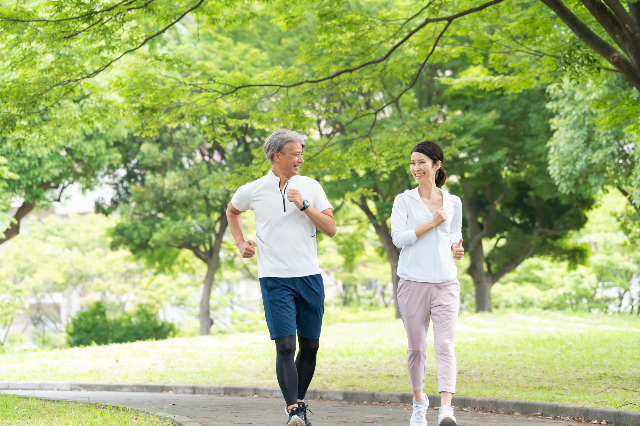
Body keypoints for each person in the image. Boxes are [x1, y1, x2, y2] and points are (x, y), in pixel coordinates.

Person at [226, 129, 337, 426]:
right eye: (296, 153)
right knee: (286, 346)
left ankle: (299, 403)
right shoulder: (255, 189)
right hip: (274, 279)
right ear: (278, 156)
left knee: (310, 346)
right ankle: (293, 410)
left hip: (309, 277)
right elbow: (233, 211)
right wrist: (241, 244)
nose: (301, 158)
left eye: (301, 153)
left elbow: (331, 228)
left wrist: (304, 205)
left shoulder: (311, 187)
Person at [390, 141, 465, 426]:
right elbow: (399, 238)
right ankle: (419, 404)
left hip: (446, 283)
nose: (416, 168)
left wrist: (457, 248)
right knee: (417, 347)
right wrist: (431, 224)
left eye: (421, 162)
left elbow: (455, 235)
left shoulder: (453, 202)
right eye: (413, 163)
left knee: (445, 345)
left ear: (437, 165)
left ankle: (446, 408)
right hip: (413, 283)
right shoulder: (403, 201)